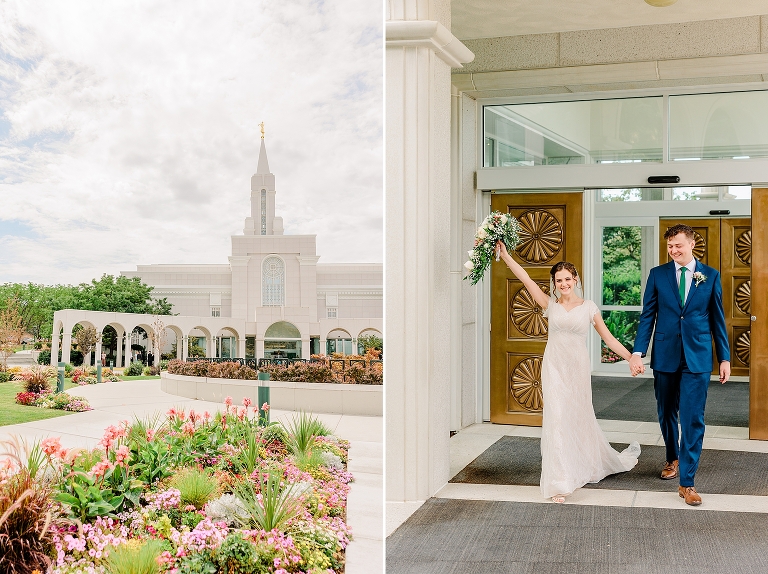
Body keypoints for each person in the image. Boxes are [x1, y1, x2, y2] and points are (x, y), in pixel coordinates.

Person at [496, 241, 640, 503]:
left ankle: (583, 464)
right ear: (554, 283)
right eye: (558, 280)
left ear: (575, 279)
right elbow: (526, 278)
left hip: (577, 368)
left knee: (578, 416)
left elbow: (608, 339)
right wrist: (506, 256)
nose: (563, 284)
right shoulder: (549, 304)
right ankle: (560, 483)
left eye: (567, 279)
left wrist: (631, 357)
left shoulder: (589, 307)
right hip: (554, 367)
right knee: (557, 419)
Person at [629, 224, 730, 506]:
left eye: (678, 245)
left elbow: (717, 320)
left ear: (692, 244)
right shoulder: (658, 275)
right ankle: (672, 456)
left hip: (697, 356)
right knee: (666, 412)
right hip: (665, 353)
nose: (674, 251)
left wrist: (724, 358)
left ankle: (687, 482)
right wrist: (638, 352)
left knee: (693, 417)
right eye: (670, 246)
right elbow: (647, 315)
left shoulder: (710, 276)